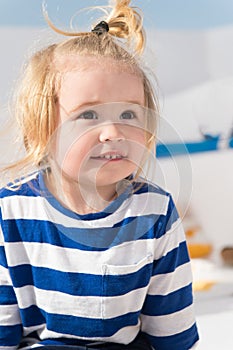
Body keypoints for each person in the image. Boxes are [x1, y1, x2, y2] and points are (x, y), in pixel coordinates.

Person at [0, 0, 199, 349]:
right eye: (88, 115)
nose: (113, 132)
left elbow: (173, 333)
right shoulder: (11, 213)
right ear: (42, 128)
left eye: (128, 114)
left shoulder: (154, 212)